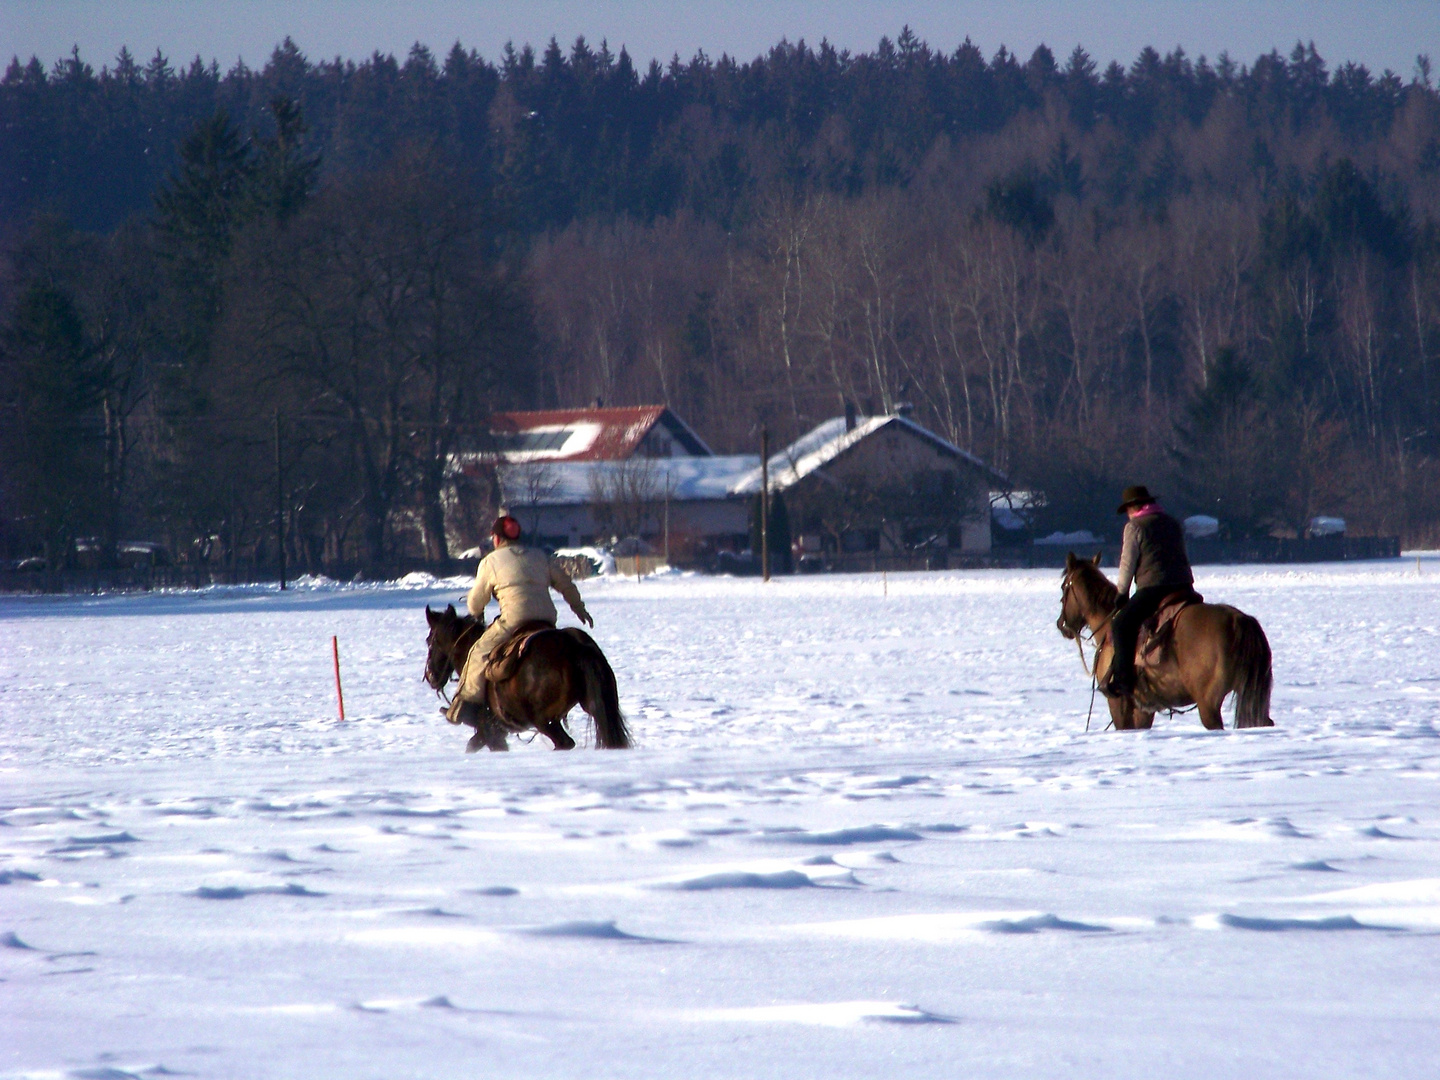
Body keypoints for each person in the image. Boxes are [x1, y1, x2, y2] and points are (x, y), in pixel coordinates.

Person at [447, 515, 593, 724]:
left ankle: (466, 706)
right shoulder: (540, 556)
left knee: (478, 652)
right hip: (546, 619)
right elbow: (565, 583)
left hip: (514, 620)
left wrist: (476, 611)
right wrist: (578, 608)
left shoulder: (490, 561)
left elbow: (476, 602)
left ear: (497, 539)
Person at [1101, 485, 1195, 698]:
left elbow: (1127, 563)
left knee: (1121, 624)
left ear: (1133, 507)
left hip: (1154, 589)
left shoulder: (1134, 527)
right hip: (1184, 587)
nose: (1127, 513)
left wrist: (1122, 593)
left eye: (1127, 509)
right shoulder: (1172, 523)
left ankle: (1124, 682)